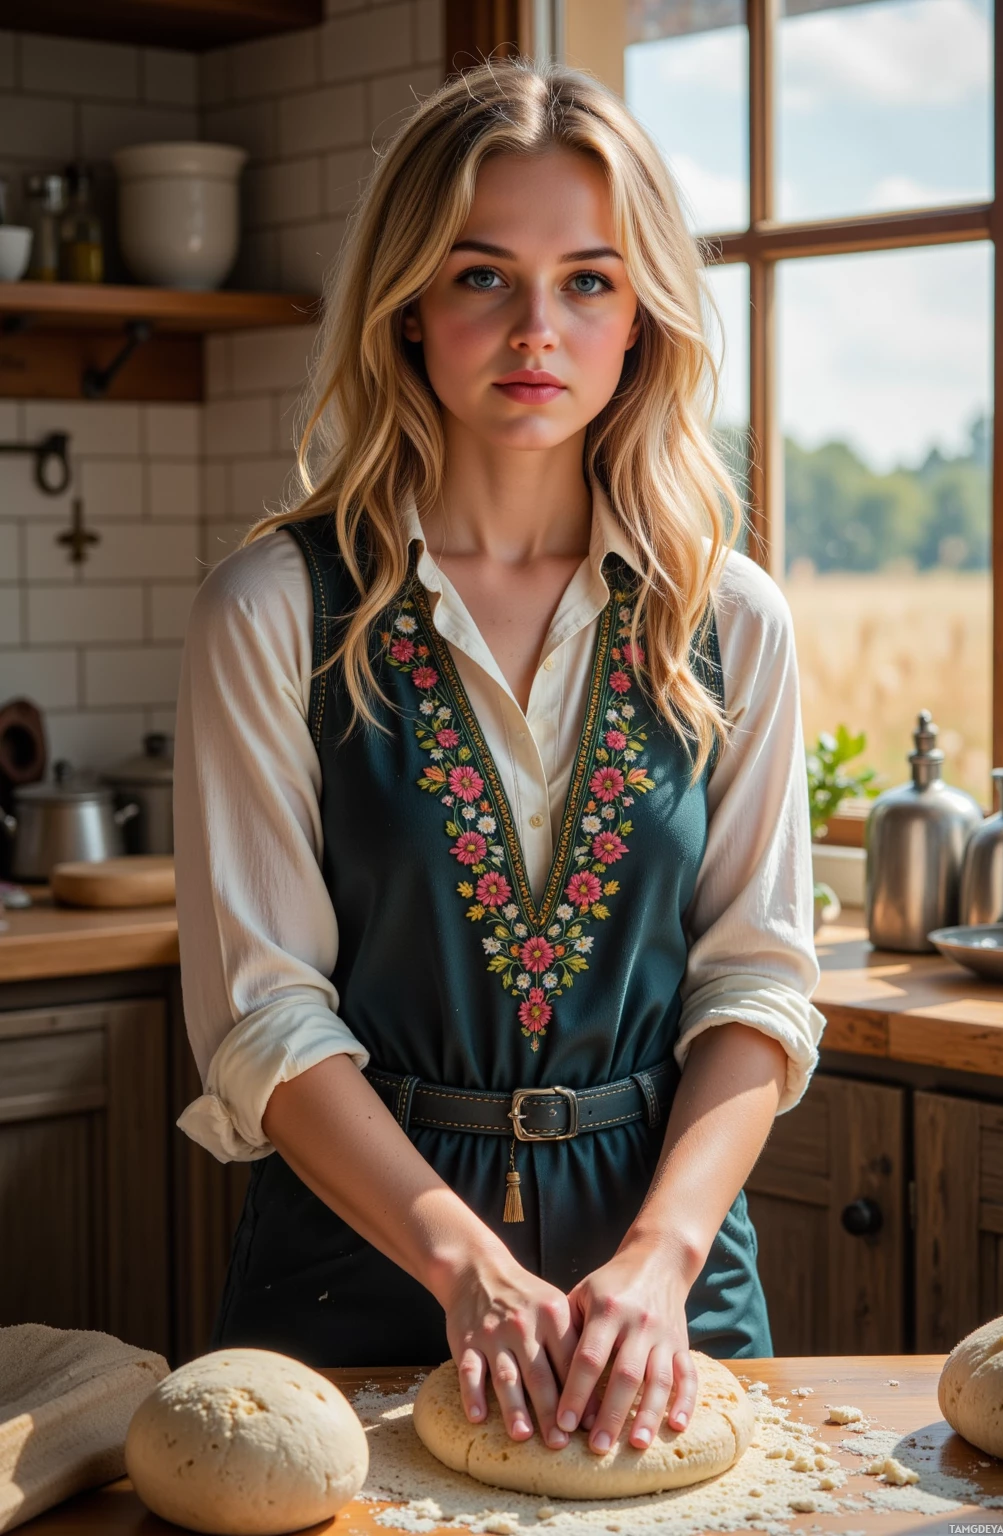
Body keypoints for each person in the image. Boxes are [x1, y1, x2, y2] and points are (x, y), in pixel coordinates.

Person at [174, 56, 827, 1462]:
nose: (538, 326)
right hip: (358, 1280)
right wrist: (464, 1268)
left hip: (666, 1300)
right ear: (409, 303)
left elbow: (757, 986)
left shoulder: (730, 620)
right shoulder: (274, 610)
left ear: (644, 315)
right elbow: (263, 1021)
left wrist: (659, 1258)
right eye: (483, 275)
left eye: (590, 279)